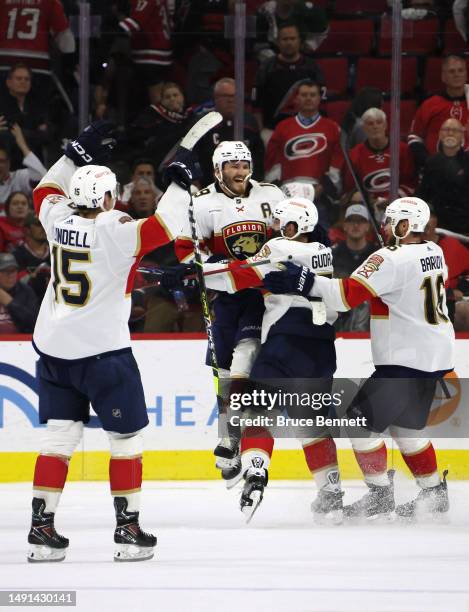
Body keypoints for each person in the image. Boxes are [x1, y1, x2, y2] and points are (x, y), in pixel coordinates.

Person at [26, 120, 193, 562]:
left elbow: (45, 188)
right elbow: (165, 226)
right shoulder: (115, 228)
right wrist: (180, 182)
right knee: (126, 440)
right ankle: (128, 529)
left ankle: (41, 531)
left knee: (59, 440)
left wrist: (72, 153)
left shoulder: (56, 217)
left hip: (54, 351)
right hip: (103, 355)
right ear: (103, 198)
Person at [264, 196, 453, 519]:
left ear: (405, 225)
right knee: (403, 427)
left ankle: (380, 494)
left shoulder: (390, 258)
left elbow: (346, 297)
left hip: (406, 360)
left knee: (358, 421)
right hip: (435, 356)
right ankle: (434, 493)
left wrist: (305, 281)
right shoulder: (434, 252)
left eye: (390, 220)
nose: (384, 226)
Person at [199, 195, 343, 522]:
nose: (276, 228)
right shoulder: (323, 253)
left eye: (283, 223)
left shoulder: (279, 249)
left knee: (256, 410)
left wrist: (198, 269)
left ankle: (255, 475)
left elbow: (236, 276)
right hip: (322, 346)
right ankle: (331, 494)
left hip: (285, 341)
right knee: (313, 425)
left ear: (299, 224)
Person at [174, 140, 285, 480]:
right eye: (232, 165)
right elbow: (185, 251)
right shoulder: (203, 202)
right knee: (223, 370)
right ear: (218, 170)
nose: (239, 171)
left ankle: (231, 435)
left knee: (245, 358)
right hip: (225, 295)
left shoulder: (271, 196)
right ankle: (230, 437)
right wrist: (208, 266)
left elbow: (292, 238)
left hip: (263, 295)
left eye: (243, 163)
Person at [265, 80, 342, 225]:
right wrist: (283, 191)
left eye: (312, 95)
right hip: (287, 194)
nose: (308, 98)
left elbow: (337, 163)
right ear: (296, 99)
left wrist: (321, 188)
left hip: (319, 195)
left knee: (319, 241)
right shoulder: (282, 127)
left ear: (319, 99)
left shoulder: (332, 128)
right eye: (304, 95)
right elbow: (272, 162)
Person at [252, 23, 324, 132]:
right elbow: (257, 106)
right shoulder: (266, 68)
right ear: (278, 42)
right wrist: (260, 131)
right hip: (272, 129)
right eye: (285, 39)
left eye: (292, 38)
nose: (289, 42)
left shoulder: (312, 67)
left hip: (306, 129)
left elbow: (321, 102)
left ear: (299, 41)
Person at [194, 78, 265, 186]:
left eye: (234, 96)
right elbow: (194, 156)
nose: (230, 100)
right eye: (226, 96)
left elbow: (258, 156)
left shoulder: (249, 123)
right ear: (216, 98)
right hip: (210, 186)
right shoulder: (204, 124)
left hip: (246, 186)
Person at [408, 55, 469, 169]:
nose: (457, 74)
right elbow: (414, 137)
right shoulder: (430, 104)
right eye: (451, 71)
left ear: (466, 74)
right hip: (435, 172)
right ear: (443, 77)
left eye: (461, 70)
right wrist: (429, 162)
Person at [344, 108, 416, 200]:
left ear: (385, 125)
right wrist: (359, 196)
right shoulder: (354, 154)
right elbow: (350, 187)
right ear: (364, 129)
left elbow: (410, 183)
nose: (375, 126)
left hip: (397, 201)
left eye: (379, 122)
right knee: (354, 212)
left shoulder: (402, 149)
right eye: (370, 124)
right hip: (368, 203)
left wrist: (389, 199)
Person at [416, 117, 469, 234]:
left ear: (462, 135)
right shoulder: (431, 162)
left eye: (455, 130)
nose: (450, 133)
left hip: (464, 225)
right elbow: (423, 193)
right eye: (446, 129)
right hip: (438, 224)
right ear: (440, 134)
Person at [332, 203, 375, 332]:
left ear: (367, 226)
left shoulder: (378, 255)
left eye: (361, 221)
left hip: (370, 317)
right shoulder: (333, 254)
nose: (356, 225)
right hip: (339, 310)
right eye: (351, 221)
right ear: (344, 226)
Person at [423, 211, 469, 331]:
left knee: (463, 312)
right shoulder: (406, 247)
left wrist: (462, 290)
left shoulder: (452, 245)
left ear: (435, 221)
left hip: (448, 303)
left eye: (429, 217)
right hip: (418, 303)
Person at [0, 125, 47, 214]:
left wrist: (22, 144)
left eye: (1, 161)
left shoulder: (18, 177)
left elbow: (42, 178)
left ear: (8, 163)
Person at [12, 214, 50, 302]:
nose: (43, 227)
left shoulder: (55, 252)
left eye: (45, 223)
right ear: (27, 230)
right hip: (27, 305)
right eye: (38, 224)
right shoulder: (16, 255)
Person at [0, 251, 39, 333]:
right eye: (5, 271)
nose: (10, 275)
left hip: (20, 342)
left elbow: (34, 323)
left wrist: (9, 302)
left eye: (13, 271)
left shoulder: (26, 291)